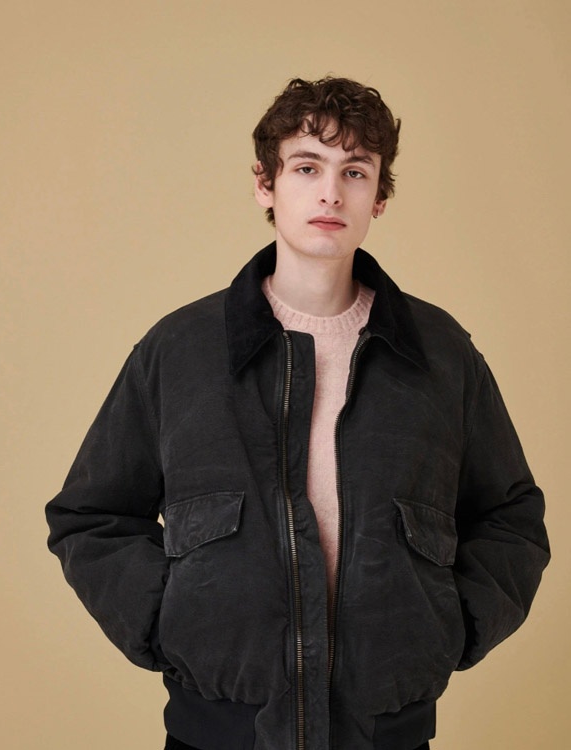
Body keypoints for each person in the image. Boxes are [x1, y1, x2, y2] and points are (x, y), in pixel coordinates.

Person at [45, 77, 550, 750]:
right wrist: (168, 622)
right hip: (216, 733)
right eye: (307, 167)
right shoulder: (182, 350)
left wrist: (451, 627)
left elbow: (511, 516)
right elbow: (90, 514)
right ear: (266, 184)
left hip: (388, 735)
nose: (331, 193)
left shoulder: (440, 355)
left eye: (355, 172)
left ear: (379, 196)